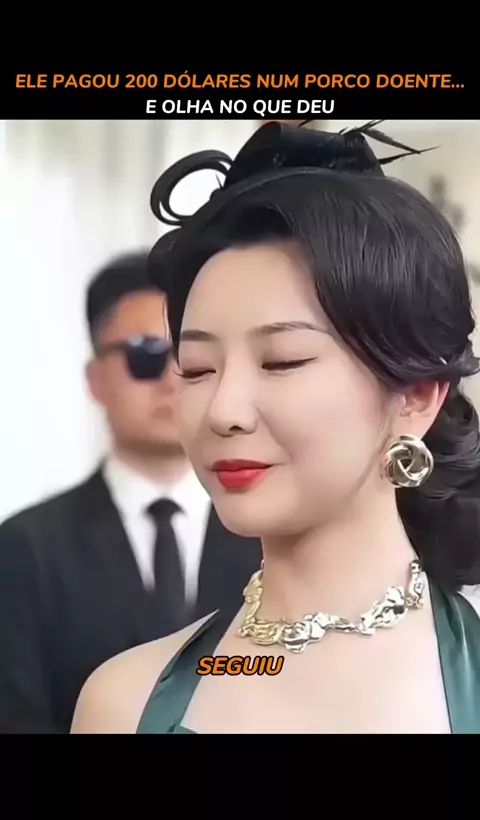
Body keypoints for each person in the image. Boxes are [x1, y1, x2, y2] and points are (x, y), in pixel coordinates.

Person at [71, 121, 480, 735]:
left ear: (417, 396)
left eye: (282, 361)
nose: (224, 410)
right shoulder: (124, 703)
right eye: (198, 368)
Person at [0, 251, 261, 733]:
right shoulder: (25, 547)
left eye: (190, 360)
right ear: (96, 379)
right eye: (146, 356)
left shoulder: (271, 533)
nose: (170, 381)